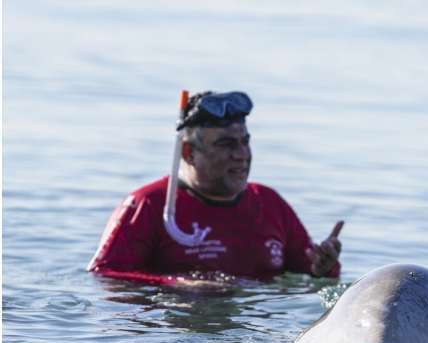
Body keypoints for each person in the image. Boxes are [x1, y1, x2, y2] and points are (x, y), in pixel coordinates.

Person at [88, 91, 343, 287]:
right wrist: (177, 285)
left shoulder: (268, 202)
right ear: (188, 153)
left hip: (251, 333)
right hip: (176, 332)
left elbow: (309, 274)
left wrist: (323, 269)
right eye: (226, 144)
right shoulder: (149, 204)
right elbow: (105, 277)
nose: (241, 155)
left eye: (245, 142)